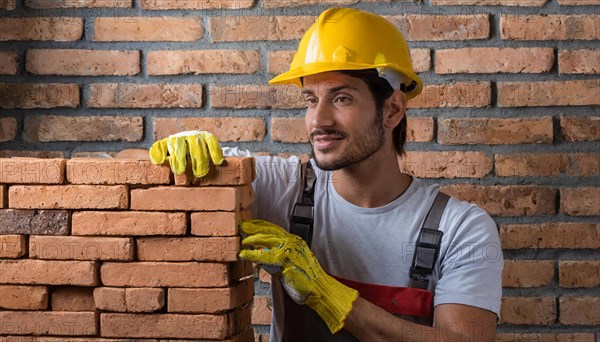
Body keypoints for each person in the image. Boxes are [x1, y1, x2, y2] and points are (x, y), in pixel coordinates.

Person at [149, 7, 503, 341]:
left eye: (342, 98)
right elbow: (133, 177)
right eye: (309, 100)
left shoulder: (459, 228)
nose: (318, 121)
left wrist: (328, 294)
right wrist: (174, 149)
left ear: (392, 109)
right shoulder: (281, 188)